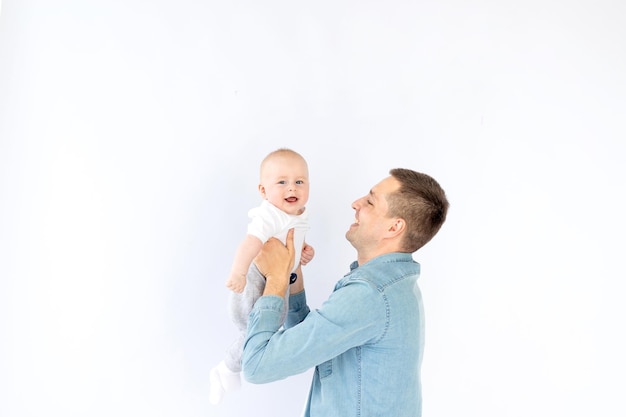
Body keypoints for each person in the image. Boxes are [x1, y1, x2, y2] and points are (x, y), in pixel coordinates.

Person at [242, 168, 449, 417]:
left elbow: (257, 366)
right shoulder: (395, 284)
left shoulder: (370, 294)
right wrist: (291, 269)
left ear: (394, 227)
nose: (356, 203)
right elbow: (311, 341)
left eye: (370, 201)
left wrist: (276, 277)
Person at [209, 148, 315, 405]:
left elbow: (293, 238)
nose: (292, 188)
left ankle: (230, 368)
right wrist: (239, 272)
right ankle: (226, 368)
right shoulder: (269, 214)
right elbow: (250, 243)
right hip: (255, 280)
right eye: (282, 182)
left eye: (299, 181)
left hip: (279, 280)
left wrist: (303, 251)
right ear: (263, 191)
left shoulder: (299, 213)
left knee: (269, 328)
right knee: (256, 331)